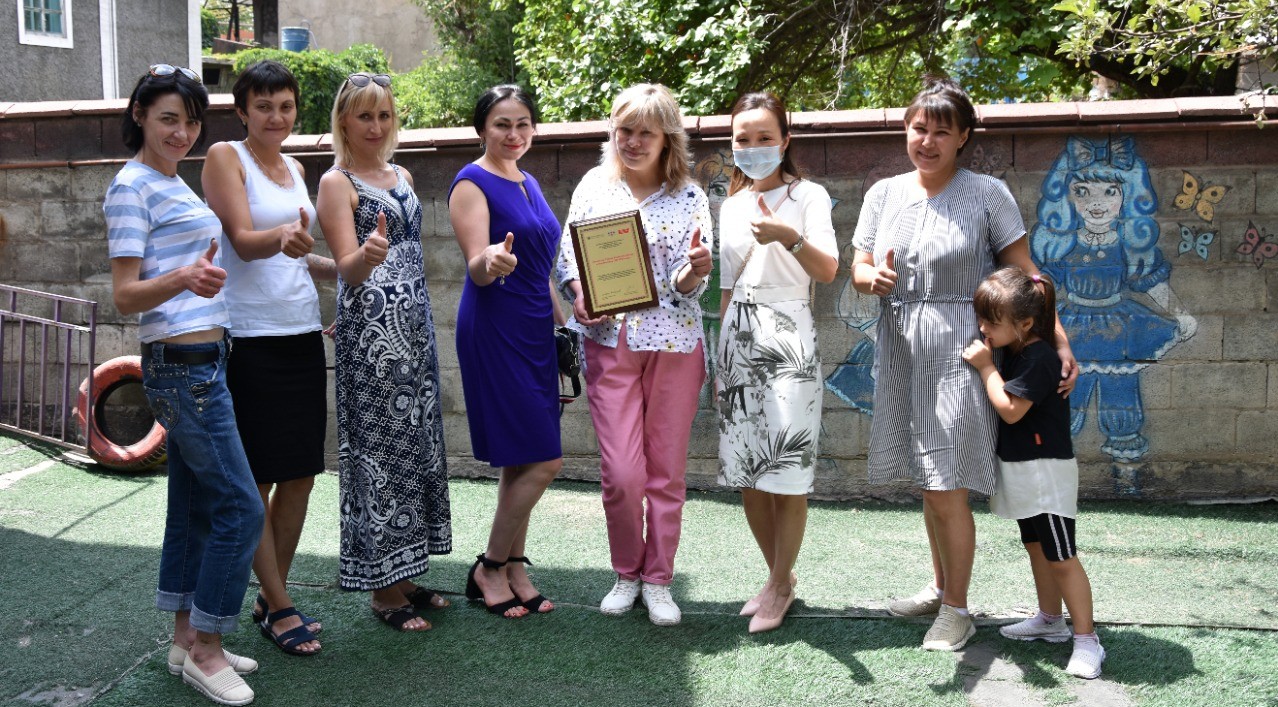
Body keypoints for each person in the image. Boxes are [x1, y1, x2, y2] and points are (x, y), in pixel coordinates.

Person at [849, 75, 1077, 651]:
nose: (926, 141)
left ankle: (957, 609)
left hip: (964, 350)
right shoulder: (883, 194)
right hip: (901, 347)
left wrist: (1060, 341)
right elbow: (859, 267)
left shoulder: (988, 194)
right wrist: (869, 277)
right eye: (918, 128)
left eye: (940, 132)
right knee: (930, 483)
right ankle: (940, 585)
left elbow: (1029, 277)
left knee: (947, 482)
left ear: (963, 137)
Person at [106, 64, 263, 705]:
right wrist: (182, 281)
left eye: (191, 120)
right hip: (182, 369)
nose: (181, 131)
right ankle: (207, 648)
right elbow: (124, 296)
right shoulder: (131, 188)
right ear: (140, 114)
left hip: (205, 361)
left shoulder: (173, 184)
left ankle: (182, 636)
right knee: (242, 507)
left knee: (197, 507)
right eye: (168, 117)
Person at [555, 84, 713, 627]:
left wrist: (695, 271)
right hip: (610, 344)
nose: (634, 141)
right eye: (625, 130)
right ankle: (626, 572)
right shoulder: (594, 188)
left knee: (665, 473)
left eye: (646, 131)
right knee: (622, 472)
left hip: (675, 344)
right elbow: (567, 260)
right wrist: (579, 293)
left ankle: (658, 580)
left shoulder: (691, 196)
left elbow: (691, 285)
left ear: (668, 138)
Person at [201, 59, 334, 656]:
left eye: (285, 106)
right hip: (250, 338)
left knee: (301, 473)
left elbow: (297, 252)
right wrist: (281, 240)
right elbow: (242, 241)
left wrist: (345, 268)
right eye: (264, 106)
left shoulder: (297, 168)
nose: (276, 116)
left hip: (302, 329)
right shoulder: (225, 156)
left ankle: (267, 592)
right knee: (256, 479)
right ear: (242, 110)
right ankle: (279, 603)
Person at [315, 72, 452, 632]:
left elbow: (414, 255)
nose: (376, 126)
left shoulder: (403, 174)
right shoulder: (335, 182)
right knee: (379, 457)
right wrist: (368, 255)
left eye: (385, 115)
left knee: (416, 446)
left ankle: (407, 572)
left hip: (415, 332)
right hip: (372, 339)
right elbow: (347, 269)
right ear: (344, 121)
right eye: (364, 116)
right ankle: (382, 592)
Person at [715, 92, 838, 633]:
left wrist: (790, 237)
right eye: (744, 139)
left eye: (765, 137)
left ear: (785, 140)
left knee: (786, 471)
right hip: (738, 334)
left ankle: (781, 581)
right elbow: (724, 287)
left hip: (789, 332)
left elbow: (829, 270)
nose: (754, 147)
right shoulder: (730, 205)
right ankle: (777, 579)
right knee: (746, 471)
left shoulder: (809, 196)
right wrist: (717, 351)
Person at [448, 85, 565, 618]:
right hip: (494, 327)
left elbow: (540, 269)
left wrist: (568, 321)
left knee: (522, 459)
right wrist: (490, 259)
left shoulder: (529, 181)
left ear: (533, 129)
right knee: (545, 460)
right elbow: (476, 262)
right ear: (482, 129)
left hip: (536, 329)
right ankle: (489, 566)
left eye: (522, 124)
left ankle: (515, 565)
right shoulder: (471, 183)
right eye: (501, 124)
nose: (513, 134)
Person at [962, 267, 1104, 679]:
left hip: (1046, 471)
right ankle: (1049, 619)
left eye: (991, 320)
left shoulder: (1039, 357)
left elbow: (1010, 410)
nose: (983, 327)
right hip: (1024, 467)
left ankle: (1087, 639)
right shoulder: (1018, 347)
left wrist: (987, 367)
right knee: (1037, 548)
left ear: (1025, 323)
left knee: (1062, 557)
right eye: (982, 318)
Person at [1030, 136, 1193, 462]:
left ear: (1127, 196)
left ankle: (1126, 474)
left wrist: (1180, 314)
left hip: (1121, 328)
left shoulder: (1130, 244)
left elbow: (1149, 283)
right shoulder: (1064, 244)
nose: (1096, 203)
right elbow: (1044, 287)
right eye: (1082, 192)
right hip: (1072, 327)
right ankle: (1058, 470)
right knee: (1067, 400)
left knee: (1122, 400)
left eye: (1110, 191)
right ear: (1067, 198)